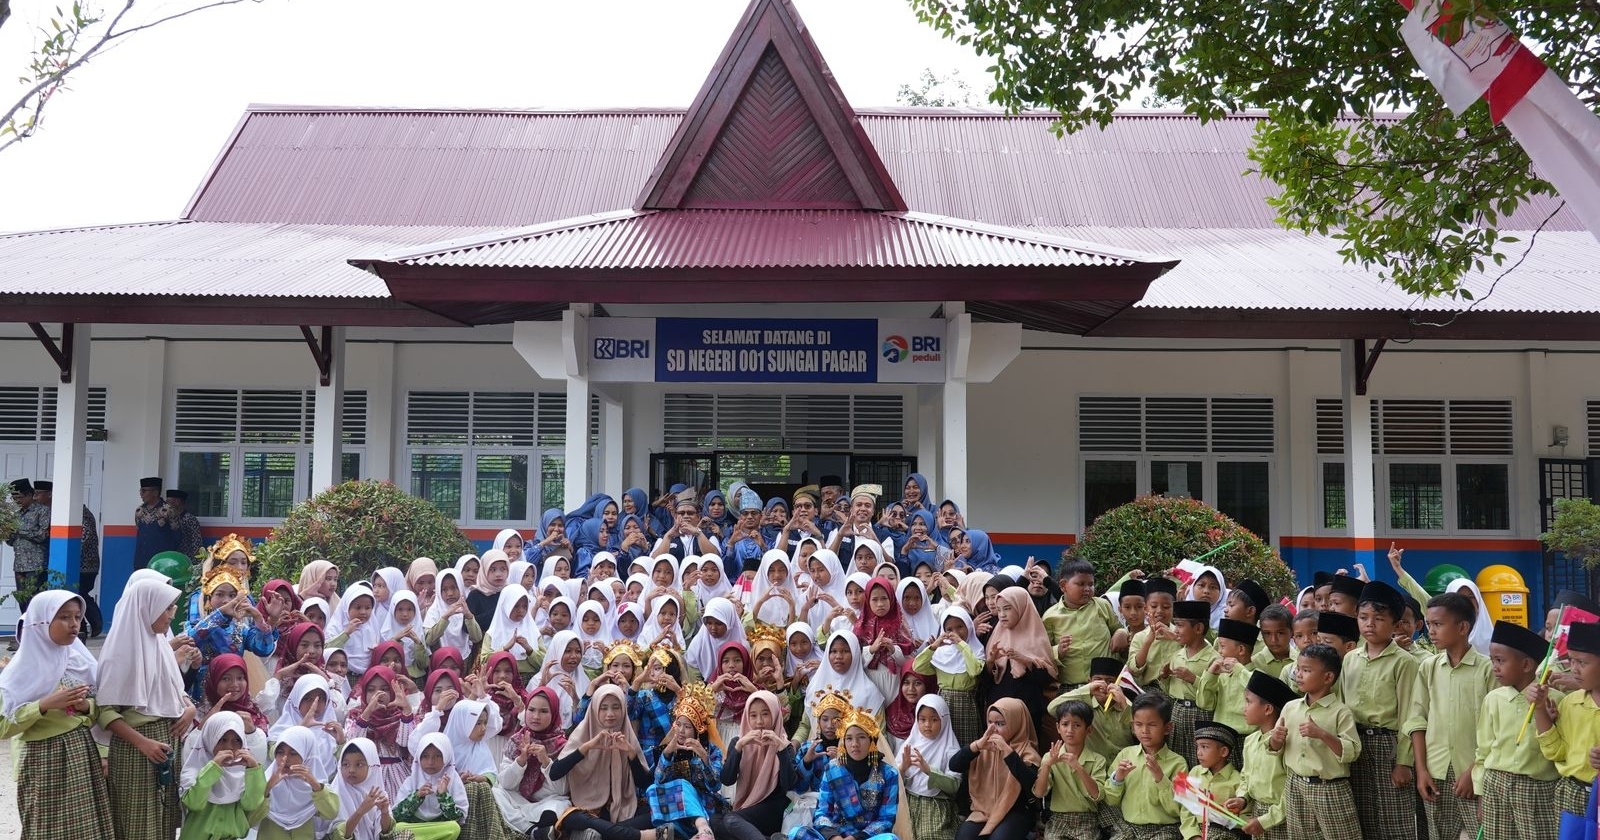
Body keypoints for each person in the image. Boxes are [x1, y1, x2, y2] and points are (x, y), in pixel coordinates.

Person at [0, 590, 116, 838]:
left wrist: (87, 708)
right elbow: (3, 727)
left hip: (80, 752)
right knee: (46, 828)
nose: (74, 624)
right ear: (41, 622)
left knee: (86, 828)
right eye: (64, 617)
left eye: (77, 617)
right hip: (44, 758)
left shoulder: (78, 662)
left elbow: (96, 710)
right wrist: (43, 705)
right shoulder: (18, 673)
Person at [98, 575, 197, 840]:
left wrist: (189, 709)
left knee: (164, 823)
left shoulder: (159, 647)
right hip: (136, 751)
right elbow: (105, 712)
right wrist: (143, 743)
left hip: (167, 743)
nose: (170, 616)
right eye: (165, 609)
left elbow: (175, 692)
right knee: (137, 824)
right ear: (146, 608)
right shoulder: (119, 652)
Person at [1403, 591, 1494, 840]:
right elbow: (1417, 720)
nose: (1431, 631)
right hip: (1436, 771)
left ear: (1463, 627)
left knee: (1481, 834)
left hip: (1474, 772)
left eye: (1438, 624)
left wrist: (1475, 771)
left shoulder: (1488, 670)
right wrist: (1421, 770)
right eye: (1429, 624)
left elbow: (1496, 730)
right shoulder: (1428, 668)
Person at [1473, 620, 1559, 840]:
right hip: (1496, 785)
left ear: (1527, 665)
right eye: (1492, 660)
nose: (1494, 667)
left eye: (1500, 661)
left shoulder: (1556, 700)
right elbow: (1483, 751)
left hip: (1538, 790)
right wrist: (1482, 794)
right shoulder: (1493, 699)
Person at [1271, 643, 1360, 840]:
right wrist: (1276, 739)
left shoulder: (1340, 712)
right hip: (1295, 785)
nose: (1299, 674)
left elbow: (1352, 752)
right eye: (1298, 668)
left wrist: (1322, 734)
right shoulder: (1290, 707)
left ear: (1328, 677)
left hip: (1329, 788)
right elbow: (1275, 748)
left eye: (1306, 670)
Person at [549, 683, 655, 839]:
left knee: (654, 814)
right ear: (594, 709)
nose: (610, 714)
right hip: (587, 808)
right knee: (572, 817)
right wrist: (587, 747)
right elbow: (555, 773)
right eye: (603, 708)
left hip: (622, 807)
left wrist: (630, 753)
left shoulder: (627, 736)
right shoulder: (583, 735)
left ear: (624, 710)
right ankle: (639, 836)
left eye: (616, 707)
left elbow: (643, 783)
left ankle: (603, 834)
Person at [792, 704, 899, 840]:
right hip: (836, 835)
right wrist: (833, 837)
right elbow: (822, 813)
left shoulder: (888, 774)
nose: (854, 744)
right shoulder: (832, 769)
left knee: (890, 839)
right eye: (849, 738)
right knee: (797, 833)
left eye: (861, 737)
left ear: (872, 740)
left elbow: (886, 819)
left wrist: (856, 838)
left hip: (866, 837)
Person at [1533, 619, 1600, 819]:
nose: (1574, 669)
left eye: (1582, 662)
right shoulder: (1570, 703)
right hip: (1572, 795)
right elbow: (1556, 752)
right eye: (1571, 661)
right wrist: (1539, 710)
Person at [716, 689, 801, 840]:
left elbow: (789, 785)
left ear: (775, 715)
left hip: (773, 809)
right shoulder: (739, 742)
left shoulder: (784, 745)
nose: (759, 721)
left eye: (765, 714)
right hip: (748, 808)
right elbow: (727, 780)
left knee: (730, 820)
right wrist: (739, 747)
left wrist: (779, 749)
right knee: (715, 822)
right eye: (753, 715)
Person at [953, 697, 1042, 840]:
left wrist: (1008, 752)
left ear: (1016, 724)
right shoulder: (984, 747)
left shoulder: (1027, 752)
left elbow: (1032, 783)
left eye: (1000, 723)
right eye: (990, 722)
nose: (992, 729)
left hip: (1016, 812)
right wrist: (975, 746)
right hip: (983, 810)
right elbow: (954, 765)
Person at [1104, 693, 1186, 840]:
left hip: (1164, 829)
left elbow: (1177, 809)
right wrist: (1118, 778)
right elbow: (1111, 800)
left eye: (1152, 725)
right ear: (1132, 726)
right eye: (1138, 724)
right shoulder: (1125, 755)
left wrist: (1160, 778)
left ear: (1167, 728)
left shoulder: (1178, 763)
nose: (1144, 731)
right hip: (1128, 827)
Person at [495, 686, 570, 839]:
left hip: (547, 801)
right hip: (518, 800)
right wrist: (521, 761)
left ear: (554, 713)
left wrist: (545, 761)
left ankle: (534, 828)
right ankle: (532, 831)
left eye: (543, 711)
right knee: (496, 793)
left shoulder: (562, 745)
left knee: (558, 808)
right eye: (531, 710)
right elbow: (506, 784)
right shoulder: (516, 740)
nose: (536, 716)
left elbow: (562, 790)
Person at [178, 710, 267, 840]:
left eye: (237, 740)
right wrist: (213, 767)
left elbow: (251, 804)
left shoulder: (244, 771)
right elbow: (194, 804)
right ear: (209, 738)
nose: (229, 746)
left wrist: (253, 769)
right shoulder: (195, 768)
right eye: (222, 739)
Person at [1034, 700, 1105, 840]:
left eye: (1077, 725)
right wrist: (1047, 766)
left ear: (1089, 730)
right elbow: (1039, 792)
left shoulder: (1098, 760)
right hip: (1058, 818)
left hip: (1087, 818)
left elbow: (1097, 795)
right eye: (1065, 724)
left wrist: (1078, 767)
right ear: (1058, 727)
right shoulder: (1049, 757)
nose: (1070, 730)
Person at [1238, 671, 1294, 840]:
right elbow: (1245, 777)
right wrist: (1242, 798)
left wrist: (1266, 820)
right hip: (1257, 815)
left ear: (1268, 709)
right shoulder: (1250, 740)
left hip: (1281, 819)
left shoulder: (1287, 745)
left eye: (1248, 701)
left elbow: (1292, 793)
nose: (1244, 707)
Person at [331, 738, 409, 840]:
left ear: (372, 767)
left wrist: (384, 812)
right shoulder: (335, 794)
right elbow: (338, 836)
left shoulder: (378, 794)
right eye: (345, 764)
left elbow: (386, 833)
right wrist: (361, 811)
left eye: (359, 765)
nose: (351, 770)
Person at [1180, 723, 1241, 840]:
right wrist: (1193, 835)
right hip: (1196, 832)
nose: (1199, 752)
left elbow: (1244, 818)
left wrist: (1226, 816)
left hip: (1225, 834)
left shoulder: (1237, 780)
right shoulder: (1195, 773)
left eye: (1204, 747)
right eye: (1197, 746)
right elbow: (1186, 809)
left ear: (1223, 752)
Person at [5, 479, 49, 643]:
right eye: (15, 499)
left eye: (20, 498)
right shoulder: (17, 514)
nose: (17, 502)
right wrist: (7, 532)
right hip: (20, 564)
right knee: (22, 600)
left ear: (30, 494)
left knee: (34, 601)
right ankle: (24, 636)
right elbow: (11, 542)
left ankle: (37, 637)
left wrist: (20, 531)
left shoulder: (42, 511)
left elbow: (42, 535)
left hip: (36, 564)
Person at [133, 476, 178, 569]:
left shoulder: (169, 510)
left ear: (155, 492)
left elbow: (177, 536)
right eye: (140, 491)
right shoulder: (139, 510)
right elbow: (139, 531)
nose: (141, 494)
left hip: (162, 563)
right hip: (141, 561)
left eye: (144, 491)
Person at [167, 488, 206, 561]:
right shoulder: (167, 518)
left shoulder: (189, 519)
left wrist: (197, 562)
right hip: (171, 557)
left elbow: (196, 542)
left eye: (168, 502)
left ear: (177, 502)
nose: (167, 505)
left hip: (186, 559)